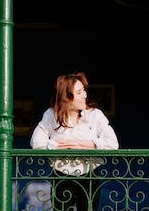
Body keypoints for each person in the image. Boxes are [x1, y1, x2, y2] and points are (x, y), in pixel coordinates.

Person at [31, 72, 119, 211]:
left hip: (90, 176)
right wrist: (57, 146)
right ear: (66, 97)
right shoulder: (51, 115)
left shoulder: (95, 115)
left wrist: (87, 145)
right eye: (79, 92)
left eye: (84, 90)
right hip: (61, 176)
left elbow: (113, 144)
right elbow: (36, 142)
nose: (85, 95)